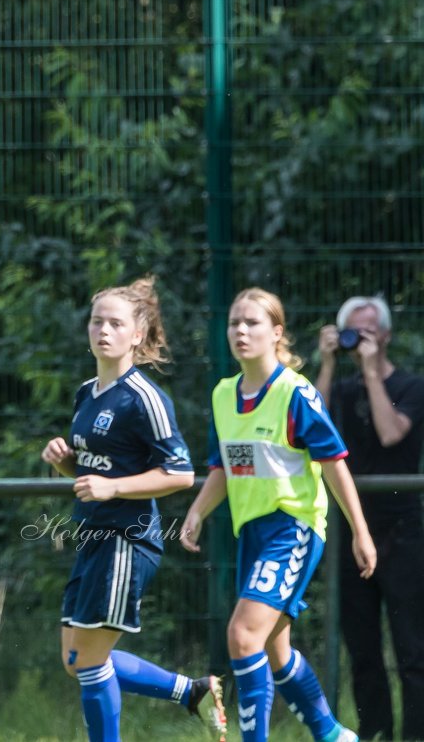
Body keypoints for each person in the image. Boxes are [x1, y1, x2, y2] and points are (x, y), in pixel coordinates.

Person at [181, 287, 377, 742]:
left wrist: (359, 532)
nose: (241, 330)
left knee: (242, 636)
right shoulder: (223, 394)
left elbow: (333, 462)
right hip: (251, 532)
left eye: (252, 322)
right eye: (234, 323)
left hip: (294, 527)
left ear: (277, 332)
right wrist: (197, 510)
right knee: (274, 650)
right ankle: (332, 734)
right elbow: (224, 467)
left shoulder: (294, 392)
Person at [39, 277, 225, 742]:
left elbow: (180, 473)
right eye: (97, 320)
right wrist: (67, 465)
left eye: (115, 323)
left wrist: (113, 488)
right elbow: (93, 474)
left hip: (127, 540)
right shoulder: (87, 393)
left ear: (137, 335)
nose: (103, 329)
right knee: (75, 660)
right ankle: (191, 692)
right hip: (94, 536)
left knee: (89, 660)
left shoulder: (144, 397)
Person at [315, 295, 424, 741]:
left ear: (387, 335)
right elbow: (309, 426)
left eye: (370, 331)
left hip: (402, 532)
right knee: (362, 650)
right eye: (353, 332)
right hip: (349, 532)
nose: (362, 340)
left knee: (412, 647)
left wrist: (372, 371)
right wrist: (325, 365)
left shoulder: (411, 386)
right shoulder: (338, 391)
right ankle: (374, 732)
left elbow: (390, 432)